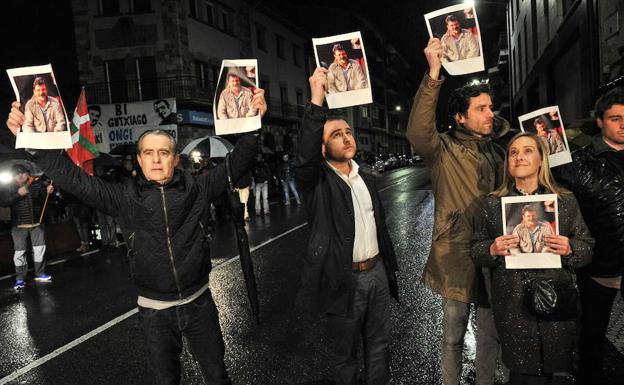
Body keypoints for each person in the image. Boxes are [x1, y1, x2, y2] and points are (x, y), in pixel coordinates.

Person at [6, 89, 267, 385]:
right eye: (148, 153)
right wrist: (34, 144)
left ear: (175, 159)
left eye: (164, 153)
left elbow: (238, 162)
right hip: (155, 314)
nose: (156, 160)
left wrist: (254, 124)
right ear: (140, 161)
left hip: (199, 305)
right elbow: (75, 180)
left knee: (218, 376)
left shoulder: (198, 189)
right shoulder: (123, 198)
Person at [406, 38, 509, 385]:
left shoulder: (499, 151)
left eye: (490, 107)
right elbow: (418, 131)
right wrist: (434, 74)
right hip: (456, 255)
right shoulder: (442, 150)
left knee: (491, 337)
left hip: (495, 254)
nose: (490, 113)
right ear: (460, 117)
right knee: (452, 336)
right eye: (481, 108)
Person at [294, 67, 399, 385]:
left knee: (379, 348)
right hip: (342, 279)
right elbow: (304, 159)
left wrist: (388, 268)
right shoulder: (316, 181)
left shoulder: (364, 174)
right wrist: (316, 102)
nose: (346, 137)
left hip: (377, 273)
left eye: (348, 132)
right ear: (322, 148)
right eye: (336, 135)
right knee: (346, 356)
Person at [469, 132, 594, 384]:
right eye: (513, 152)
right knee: (520, 372)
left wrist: (570, 248)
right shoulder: (492, 204)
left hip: (555, 297)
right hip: (513, 304)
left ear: (541, 160)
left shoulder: (564, 201)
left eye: (527, 151)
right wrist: (492, 249)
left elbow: (587, 248)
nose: (518, 157)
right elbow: (475, 249)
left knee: (551, 370)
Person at [553, 87, 624, 385]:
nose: (623, 125)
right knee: (592, 336)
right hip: (599, 267)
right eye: (615, 118)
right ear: (600, 122)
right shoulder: (581, 161)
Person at [0, 164, 54, 289]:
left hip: (37, 223)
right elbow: (3, 202)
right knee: (19, 252)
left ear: (27, 173)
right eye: (17, 173)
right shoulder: (8, 187)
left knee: (39, 249)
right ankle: (20, 278)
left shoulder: (37, 184)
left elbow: (44, 201)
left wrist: (48, 192)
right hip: (18, 225)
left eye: (22, 172)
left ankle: (40, 273)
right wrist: (18, 194)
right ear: (13, 176)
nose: (20, 175)